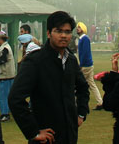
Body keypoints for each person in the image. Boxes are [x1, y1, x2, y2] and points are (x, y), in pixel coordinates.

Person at [9, 10, 90, 144]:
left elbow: (83, 88)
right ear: (48, 33)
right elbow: (15, 98)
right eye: (58, 31)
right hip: (47, 136)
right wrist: (33, 131)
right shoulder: (35, 61)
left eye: (67, 32)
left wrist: (81, 113)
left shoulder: (70, 60)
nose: (63, 35)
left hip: (69, 134)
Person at [75, 22, 103, 110]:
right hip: (87, 64)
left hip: (86, 65)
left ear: (83, 29)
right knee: (91, 84)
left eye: (79, 27)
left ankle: (74, 102)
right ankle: (100, 102)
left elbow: (85, 53)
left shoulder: (85, 39)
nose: (77, 29)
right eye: (77, 27)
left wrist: (81, 65)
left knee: (77, 83)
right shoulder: (82, 39)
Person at [0, 33, 15, 122]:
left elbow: (2, 60)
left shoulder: (4, 49)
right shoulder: (6, 47)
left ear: (0, 39)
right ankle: (7, 112)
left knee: (2, 96)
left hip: (4, 76)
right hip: (9, 75)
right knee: (8, 96)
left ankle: (5, 114)